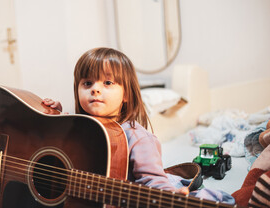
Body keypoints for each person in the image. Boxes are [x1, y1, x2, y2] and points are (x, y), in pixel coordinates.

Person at [43, 47, 234, 204]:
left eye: (108, 82)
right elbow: (58, 151)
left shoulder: (136, 137)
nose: (95, 88)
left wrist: (169, 196)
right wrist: (55, 118)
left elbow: (153, 180)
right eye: (87, 83)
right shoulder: (78, 127)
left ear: (126, 95)